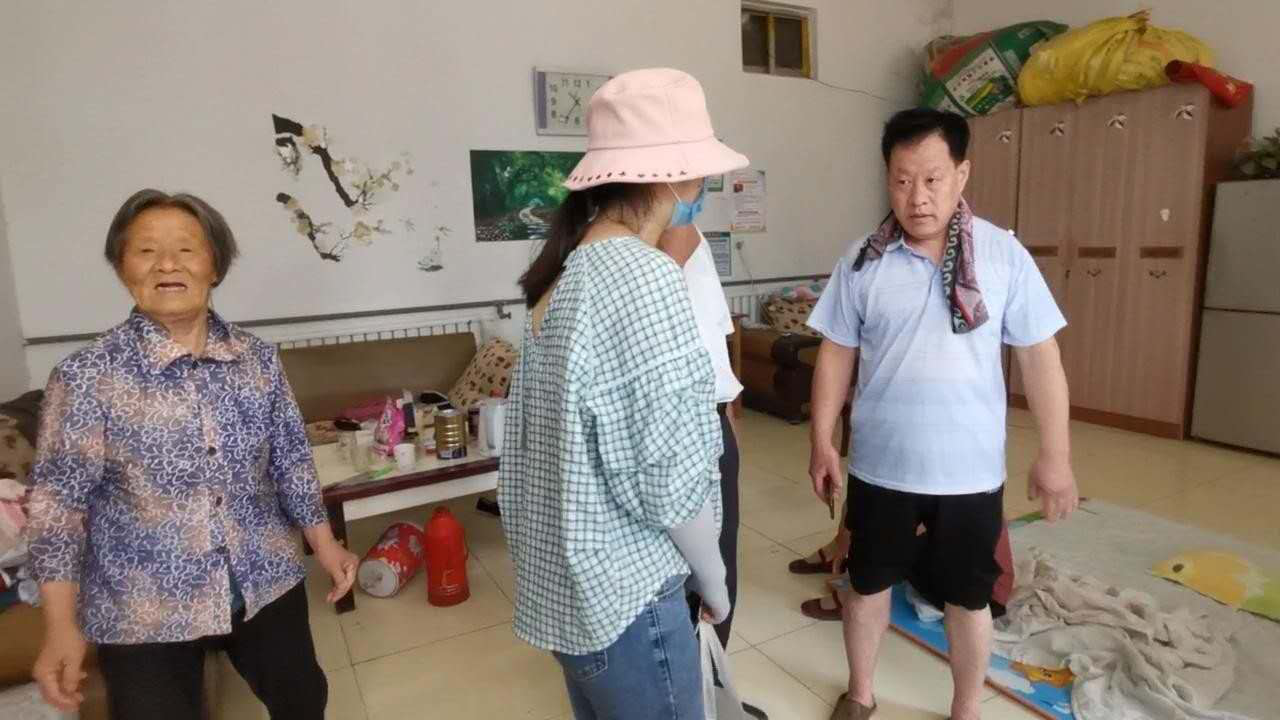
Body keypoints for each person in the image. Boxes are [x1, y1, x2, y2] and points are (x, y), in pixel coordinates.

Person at [27, 189, 359, 720]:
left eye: (186, 248)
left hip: (264, 576)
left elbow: (292, 459)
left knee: (302, 700)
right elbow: (57, 510)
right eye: (146, 251)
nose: (167, 264)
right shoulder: (87, 376)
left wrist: (325, 544)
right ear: (122, 268)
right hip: (144, 607)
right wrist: (60, 626)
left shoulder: (257, 359)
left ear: (215, 266)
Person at [806, 109, 1077, 720]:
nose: (917, 198)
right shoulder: (863, 260)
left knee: (968, 599)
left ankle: (965, 709)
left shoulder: (1003, 256)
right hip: (880, 469)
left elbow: (1040, 356)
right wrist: (822, 439)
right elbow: (837, 352)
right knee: (866, 586)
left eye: (931, 179)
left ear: (962, 174)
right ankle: (861, 693)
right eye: (902, 181)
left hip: (969, 474)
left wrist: (1055, 456)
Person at [498, 68, 748, 720]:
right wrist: (715, 581)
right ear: (675, 174)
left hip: (574, 601)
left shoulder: (564, 272)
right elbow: (669, 478)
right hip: (631, 600)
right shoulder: (643, 277)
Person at [658, 224, 767, 720]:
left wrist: (729, 421)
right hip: (686, 418)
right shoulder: (668, 227)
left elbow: (714, 338)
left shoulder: (689, 229)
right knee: (701, 576)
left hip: (710, 414)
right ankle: (695, 702)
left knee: (714, 564)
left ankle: (707, 691)